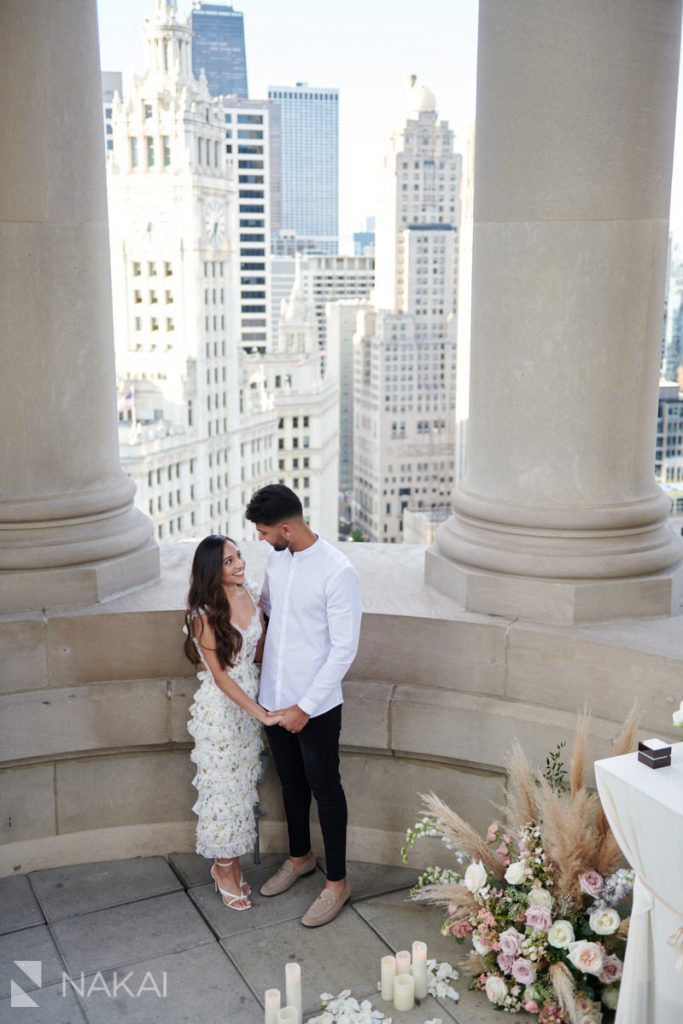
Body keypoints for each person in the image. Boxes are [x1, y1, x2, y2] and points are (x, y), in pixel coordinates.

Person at [245, 484, 362, 928]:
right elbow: (270, 617)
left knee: (325, 789)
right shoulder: (277, 558)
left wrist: (305, 706)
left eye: (264, 531)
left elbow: (343, 649)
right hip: (272, 699)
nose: (260, 539)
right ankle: (300, 858)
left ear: (287, 528)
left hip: (316, 706)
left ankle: (337, 884)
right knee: (289, 785)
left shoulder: (338, 571)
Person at [183, 535, 282, 910]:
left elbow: (261, 649)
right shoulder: (204, 615)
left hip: (251, 704)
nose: (239, 564)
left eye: (238, 556)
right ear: (212, 569)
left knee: (242, 788)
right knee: (222, 790)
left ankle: (231, 862)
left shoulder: (252, 594)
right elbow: (222, 678)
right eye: (228, 561)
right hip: (222, 714)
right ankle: (224, 868)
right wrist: (260, 713)